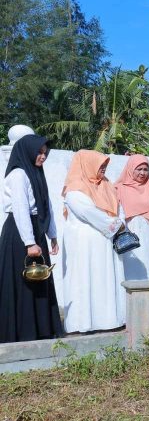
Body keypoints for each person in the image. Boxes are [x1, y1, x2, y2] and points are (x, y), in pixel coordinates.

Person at [0, 135, 63, 343]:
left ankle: (40, 330)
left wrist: (51, 235)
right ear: (27, 151)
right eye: (39, 152)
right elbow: (20, 208)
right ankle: (20, 332)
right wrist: (29, 242)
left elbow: (47, 205)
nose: (43, 156)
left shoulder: (36, 173)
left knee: (39, 279)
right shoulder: (18, 174)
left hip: (35, 230)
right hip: (20, 233)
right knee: (23, 281)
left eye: (45, 153)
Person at [62, 150, 126, 333]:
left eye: (105, 166)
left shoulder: (106, 185)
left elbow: (118, 206)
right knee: (85, 279)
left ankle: (107, 321)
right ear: (87, 165)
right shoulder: (75, 189)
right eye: (100, 166)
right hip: (84, 243)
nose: (104, 169)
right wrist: (114, 224)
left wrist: (119, 221)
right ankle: (82, 323)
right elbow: (88, 212)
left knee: (104, 279)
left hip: (105, 241)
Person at [115, 154, 149, 282]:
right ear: (131, 168)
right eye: (139, 169)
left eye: (145, 169)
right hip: (127, 235)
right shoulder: (119, 189)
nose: (143, 173)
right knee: (128, 267)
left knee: (147, 265)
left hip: (148, 235)